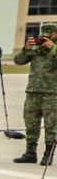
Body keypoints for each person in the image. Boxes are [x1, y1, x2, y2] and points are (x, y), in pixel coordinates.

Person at [12, 23, 57, 165]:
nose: (45, 38)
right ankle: (30, 152)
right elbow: (18, 61)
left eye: (49, 35)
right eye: (43, 35)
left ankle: (48, 154)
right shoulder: (36, 48)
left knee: (51, 126)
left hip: (52, 93)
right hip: (33, 92)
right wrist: (25, 50)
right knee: (31, 123)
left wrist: (53, 48)